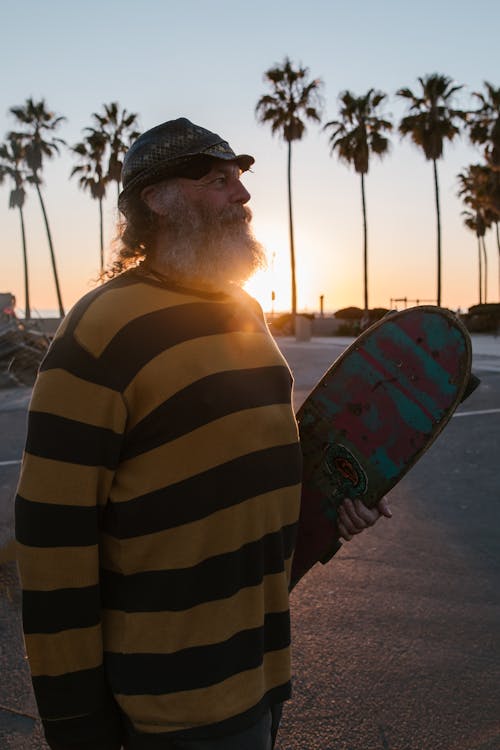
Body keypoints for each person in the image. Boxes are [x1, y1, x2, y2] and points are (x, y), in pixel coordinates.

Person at [15, 117, 392, 750]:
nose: (242, 197)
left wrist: (332, 502)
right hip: (170, 699)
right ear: (157, 200)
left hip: (260, 667)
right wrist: (75, 722)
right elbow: (52, 538)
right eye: (216, 180)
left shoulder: (240, 310)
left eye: (239, 180)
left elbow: (252, 461)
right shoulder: (101, 329)